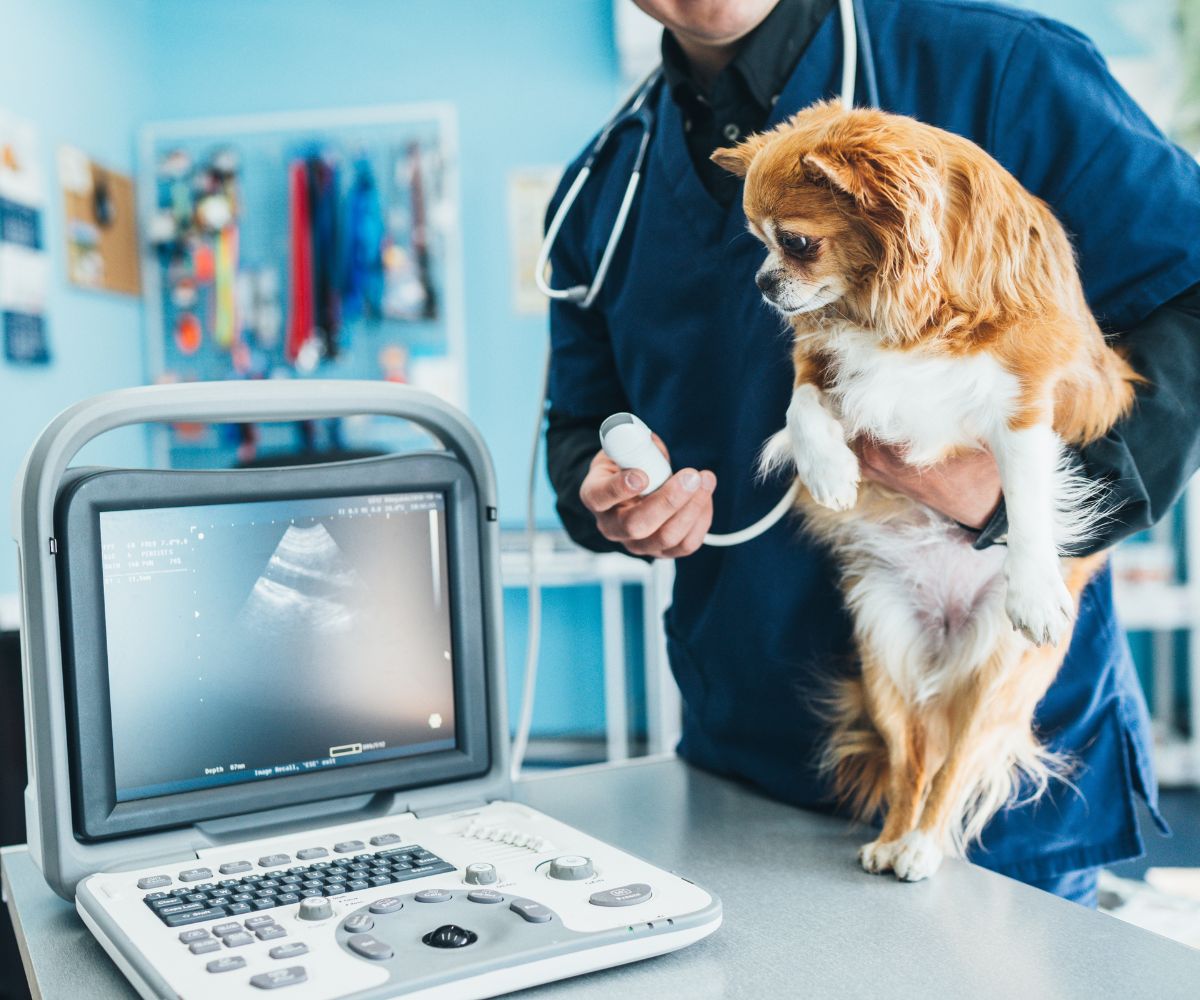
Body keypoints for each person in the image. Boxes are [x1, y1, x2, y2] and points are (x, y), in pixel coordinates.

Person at [544, 0, 1200, 907]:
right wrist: (600, 491)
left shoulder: (1003, 68)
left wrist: (1025, 501)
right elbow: (580, 419)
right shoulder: (599, 189)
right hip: (746, 773)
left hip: (1003, 780)